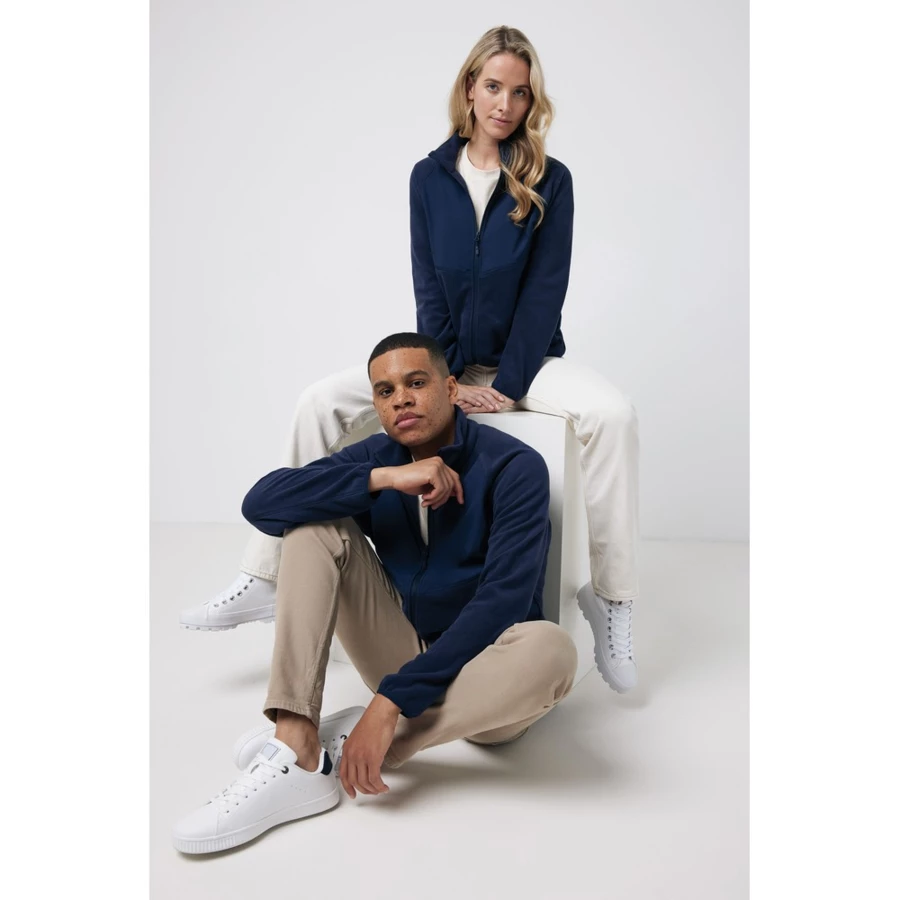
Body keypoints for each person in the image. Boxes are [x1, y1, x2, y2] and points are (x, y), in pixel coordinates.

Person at [179, 25, 640, 693]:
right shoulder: (429, 177)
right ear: (469, 87)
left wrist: (508, 386)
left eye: (519, 92)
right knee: (319, 400)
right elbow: (428, 289)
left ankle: (613, 597)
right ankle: (266, 573)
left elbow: (545, 293)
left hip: (527, 361)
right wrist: (442, 379)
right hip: (447, 361)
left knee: (613, 415)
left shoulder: (550, 180)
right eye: (493, 87)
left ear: (531, 100)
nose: (505, 104)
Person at [172, 334, 578, 854]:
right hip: (401, 650)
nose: (401, 399)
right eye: (385, 392)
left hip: (487, 682)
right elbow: (262, 503)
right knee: (313, 526)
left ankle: (361, 744)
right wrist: (386, 478)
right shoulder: (378, 458)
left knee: (552, 649)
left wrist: (388, 703)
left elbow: (503, 601)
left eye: (416, 382)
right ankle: (296, 744)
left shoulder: (513, 466)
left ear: (451, 389)